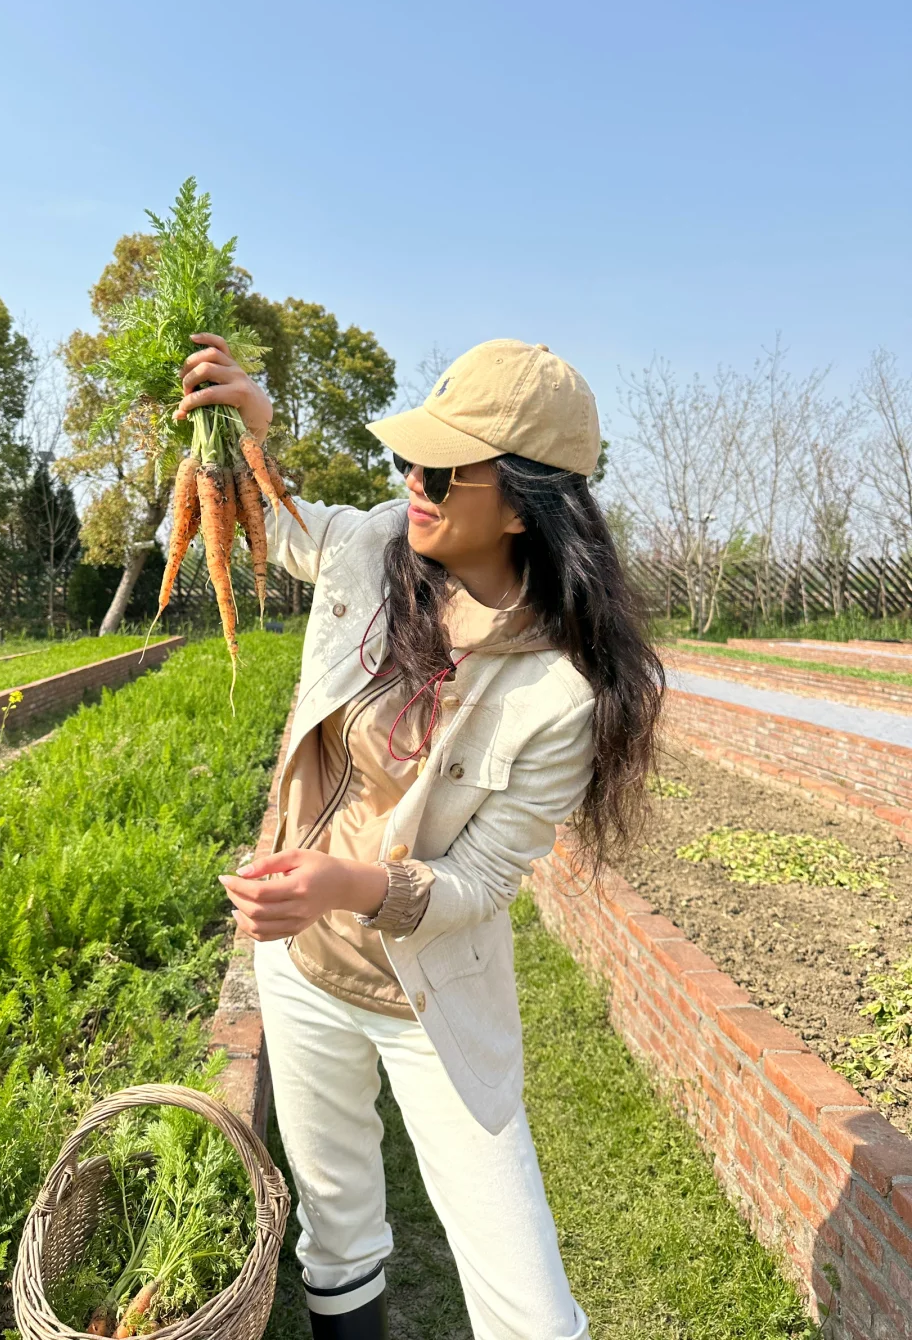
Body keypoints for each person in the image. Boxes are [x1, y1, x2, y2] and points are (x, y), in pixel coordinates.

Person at [174, 335, 664, 1340]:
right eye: (411, 458)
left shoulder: (561, 692)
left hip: (426, 997)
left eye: (444, 468)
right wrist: (249, 437)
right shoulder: (376, 548)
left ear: (525, 501)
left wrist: (350, 885)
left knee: (528, 1302)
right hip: (302, 971)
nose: (415, 482)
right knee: (338, 1231)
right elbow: (295, 530)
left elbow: (482, 879)